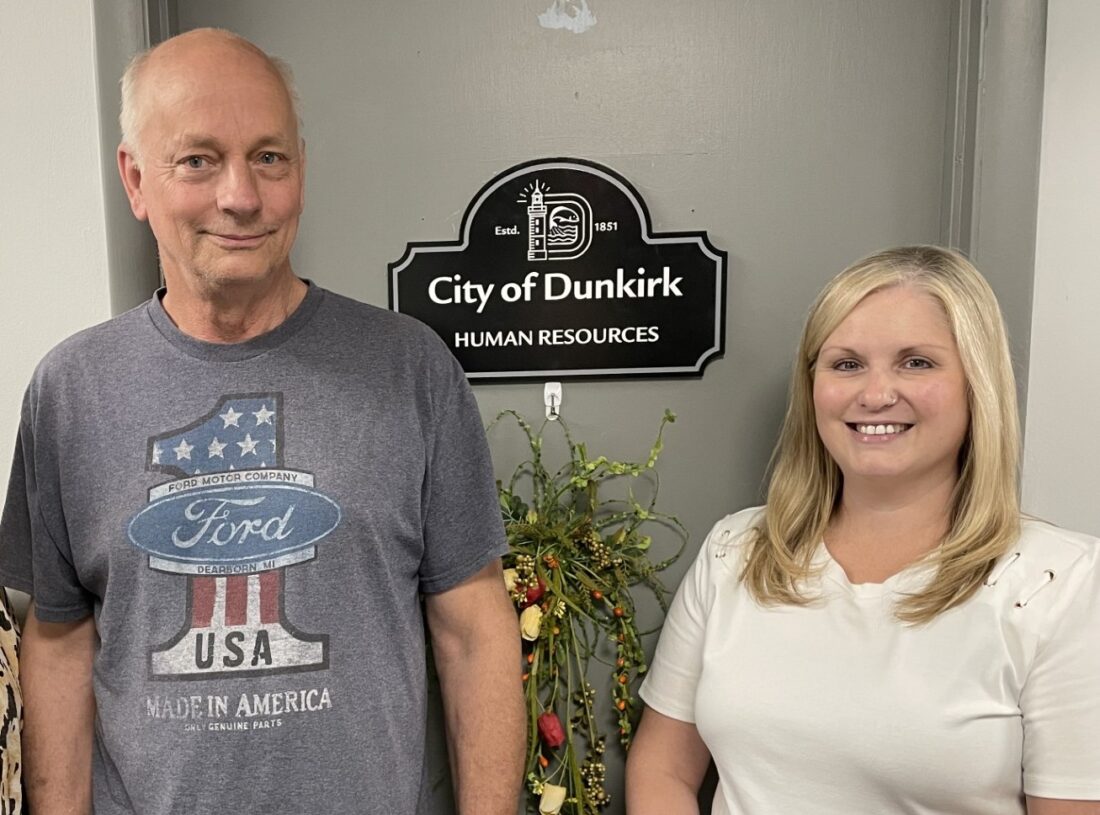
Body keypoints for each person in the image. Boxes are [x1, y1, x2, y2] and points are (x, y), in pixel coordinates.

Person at [0, 28, 524, 815]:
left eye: (269, 157)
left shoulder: (411, 370)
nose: (241, 195)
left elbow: (474, 630)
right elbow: (59, 641)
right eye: (198, 160)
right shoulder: (69, 392)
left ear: (301, 169)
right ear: (135, 180)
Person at [626, 246, 1100, 815]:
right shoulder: (737, 550)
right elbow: (662, 768)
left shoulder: (1062, 583)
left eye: (916, 363)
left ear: (978, 383)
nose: (875, 395)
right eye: (846, 364)